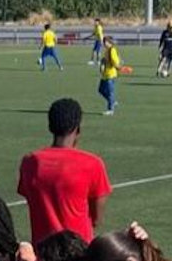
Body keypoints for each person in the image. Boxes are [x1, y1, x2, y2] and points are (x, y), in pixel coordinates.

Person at [17, 98, 111, 245]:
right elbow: (97, 218)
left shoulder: (29, 162)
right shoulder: (92, 164)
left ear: (50, 126)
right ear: (77, 127)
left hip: (42, 250)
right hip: (79, 249)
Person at [98, 36, 120, 115]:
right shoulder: (107, 50)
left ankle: (110, 110)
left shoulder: (112, 50)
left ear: (109, 42)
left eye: (105, 42)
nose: (104, 44)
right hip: (105, 74)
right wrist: (102, 63)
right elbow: (105, 59)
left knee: (110, 92)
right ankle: (112, 101)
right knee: (101, 90)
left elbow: (115, 61)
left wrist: (118, 67)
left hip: (110, 74)